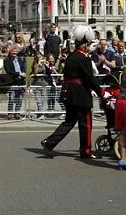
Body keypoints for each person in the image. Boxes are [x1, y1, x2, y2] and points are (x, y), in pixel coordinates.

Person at [40, 25, 103, 159]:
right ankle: (86, 151)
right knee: (86, 124)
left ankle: (50, 142)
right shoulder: (83, 58)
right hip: (80, 95)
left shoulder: (71, 56)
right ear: (85, 44)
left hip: (69, 93)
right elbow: (90, 78)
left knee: (69, 121)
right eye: (89, 43)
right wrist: (102, 93)